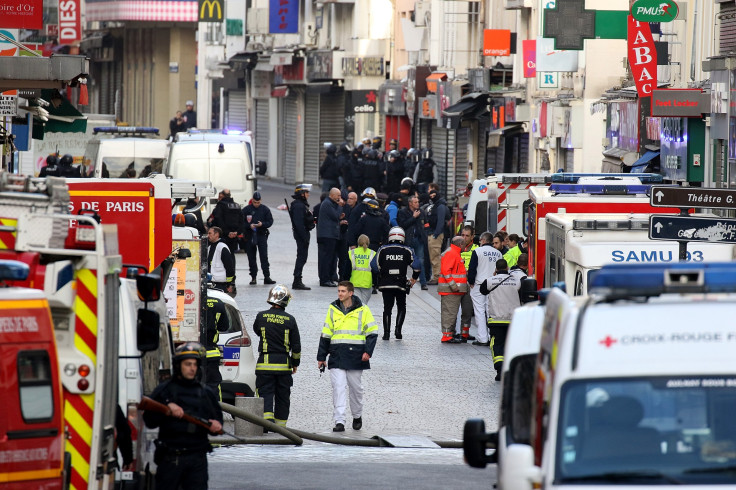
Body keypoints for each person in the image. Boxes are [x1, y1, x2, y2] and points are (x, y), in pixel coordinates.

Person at [143, 342, 223, 490]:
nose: (192, 368)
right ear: (179, 365)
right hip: (171, 459)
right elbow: (149, 421)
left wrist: (215, 425)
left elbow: (219, 422)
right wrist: (166, 408)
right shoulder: (164, 391)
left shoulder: (205, 393)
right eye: (188, 364)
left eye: (194, 364)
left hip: (197, 459)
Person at [317, 281, 378, 432]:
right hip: (337, 355)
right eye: (338, 291)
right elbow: (326, 333)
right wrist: (321, 357)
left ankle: (357, 415)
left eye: (343, 291)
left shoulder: (363, 310)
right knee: (338, 388)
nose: (340, 294)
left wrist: (368, 352)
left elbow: (372, 332)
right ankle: (340, 421)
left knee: (356, 389)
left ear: (351, 293)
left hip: (356, 355)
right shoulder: (333, 308)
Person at [253, 285, 301, 427]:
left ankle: (267, 421)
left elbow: (257, 331)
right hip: (284, 366)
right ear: (286, 301)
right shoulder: (290, 320)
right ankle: (280, 427)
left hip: (265, 364)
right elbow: (296, 346)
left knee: (265, 394)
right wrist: (295, 363)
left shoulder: (261, 316)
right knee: (283, 397)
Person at [372, 227, 420, 340]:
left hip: (386, 283)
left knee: (387, 308)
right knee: (401, 306)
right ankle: (398, 331)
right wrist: (413, 278)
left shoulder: (382, 249)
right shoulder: (408, 250)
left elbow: (374, 266)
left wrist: (381, 273)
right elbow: (417, 267)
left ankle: (386, 333)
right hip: (401, 284)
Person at [480, 259, 522, 381]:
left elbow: (482, 291)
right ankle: (510, 369)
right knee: (510, 344)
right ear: (507, 268)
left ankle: (500, 369)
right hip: (513, 320)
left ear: (496, 269)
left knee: (497, 344)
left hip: (496, 320)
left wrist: (494, 277)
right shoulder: (516, 281)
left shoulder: (489, 281)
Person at [467, 232, 503, 347]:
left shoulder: (477, 251)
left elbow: (472, 268)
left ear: (482, 240)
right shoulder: (498, 253)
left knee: (479, 310)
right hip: (493, 285)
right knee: (490, 312)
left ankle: (482, 338)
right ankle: (491, 335)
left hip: (479, 284)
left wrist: (471, 281)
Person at [438, 236, 468, 343]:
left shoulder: (453, 252)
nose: (466, 245)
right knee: (449, 313)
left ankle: (450, 334)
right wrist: (454, 286)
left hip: (452, 290)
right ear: (460, 244)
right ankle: (446, 336)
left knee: (451, 312)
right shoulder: (452, 253)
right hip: (450, 290)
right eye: (464, 243)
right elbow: (446, 271)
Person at [242, 191, 275, 285]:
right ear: (252, 201)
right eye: (255, 202)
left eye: (258, 202)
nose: (256, 204)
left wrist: (262, 224)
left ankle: (266, 276)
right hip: (250, 236)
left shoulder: (265, 209)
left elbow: (270, 221)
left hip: (261, 235)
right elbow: (240, 222)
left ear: (261, 201)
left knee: (264, 257)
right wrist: (249, 226)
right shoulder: (246, 210)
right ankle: (253, 277)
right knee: (251, 258)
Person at [397, 195, 428, 290]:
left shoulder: (421, 212)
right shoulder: (402, 212)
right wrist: (413, 217)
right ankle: (401, 281)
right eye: (415, 202)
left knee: (421, 261)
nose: (417, 204)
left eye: (418, 202)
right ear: (410, 203)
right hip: (408, 240)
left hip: (419, 239)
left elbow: (426, 224)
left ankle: (423, 283)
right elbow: (402, 225)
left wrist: (425, 234)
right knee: (404, 261)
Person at [288, 183, 315, 290]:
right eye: (306, 192)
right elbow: (299, 224)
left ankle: (298, 279)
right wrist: (304, 237)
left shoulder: (300, 204)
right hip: (302, 235)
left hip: (303, 234)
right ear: (302, 194)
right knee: (301, 257)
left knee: (302, 257)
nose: (308, 194)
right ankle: (297, 280)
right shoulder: (299, 206)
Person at [204, 294, 228, 398]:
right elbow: (224, 327)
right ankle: (215, 412)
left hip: (192, 353)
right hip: (212, 353)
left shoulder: (190, 299)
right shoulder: (218, 303)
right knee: (213, 385)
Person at [457, 225, 478, 342]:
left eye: (467, 236)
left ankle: (465, 333)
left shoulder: (476, 249)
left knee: (467, 310)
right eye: (462, 235)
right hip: (456, 283)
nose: (464, 238)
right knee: (453, 311)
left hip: (469, 283)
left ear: (472, 236)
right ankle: (452, 333)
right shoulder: (456, 248)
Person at [317, 188, 342, 287]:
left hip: (329, 235)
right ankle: (325, 279)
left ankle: (328, 278)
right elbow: (336, 215)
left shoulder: (330, 203)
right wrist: (340, 206)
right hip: (327, 235)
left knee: (329, 258)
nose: (339, 198)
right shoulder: (327, 203)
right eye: (338, 196)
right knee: (326, 258)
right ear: (332, 195)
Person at [211, 189, 245, 258]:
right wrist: (237, 232)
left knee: (222, 255)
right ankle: (232, 268)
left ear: (222, 196)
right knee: (231, 254)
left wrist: (227, 232)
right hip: (234, 236)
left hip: (223, 235)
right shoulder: (236, 205)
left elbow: (218, 220)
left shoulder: (220, 206)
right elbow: (241, 221)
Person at [426, 188, 449, 285]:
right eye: (430, 196)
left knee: (435, 256)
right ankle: (436, 276)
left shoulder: (440, 207)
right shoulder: (439, 205)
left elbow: (440, 222)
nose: (432, 197)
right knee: (434, 255)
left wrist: (436, 234)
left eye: (433, 196)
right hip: (436, 233)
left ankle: (437, 277)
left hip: (437, 234)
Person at [206, 226, 236, 296]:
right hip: (211, 283)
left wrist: (229, 284)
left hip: (221, 285)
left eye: (210, 233)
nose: (208, 235)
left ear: (217, 234)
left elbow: (229, 267)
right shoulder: (210, 247)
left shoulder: (222, 247)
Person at [349, 234, 375, 305]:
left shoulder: (352, 253)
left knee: (356, 304)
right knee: (364, 304)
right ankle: (362, 315)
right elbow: (375, 270)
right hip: (367, 283)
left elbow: (346, 268)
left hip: (354, 282)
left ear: (358, 242)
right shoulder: (373, 253)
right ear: (368, 242)